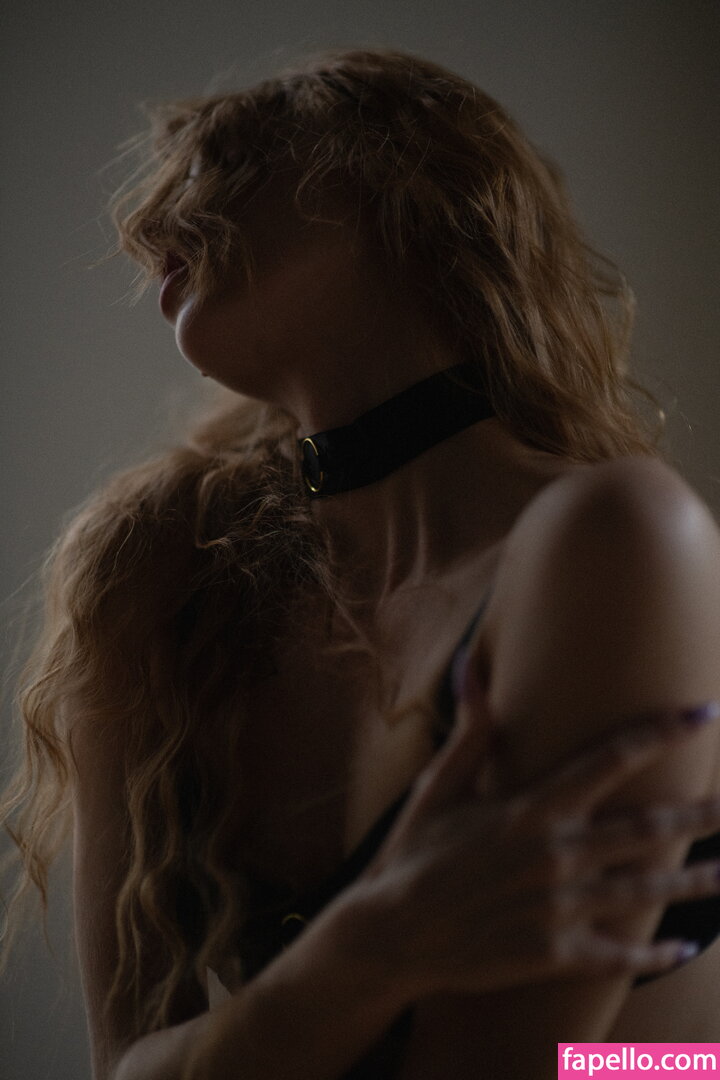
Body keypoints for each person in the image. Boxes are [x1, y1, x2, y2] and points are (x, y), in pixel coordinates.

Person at [3, 48, 720, 1080]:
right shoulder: (156, 580)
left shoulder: (617, 536)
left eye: (232, 160)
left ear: (412, 194)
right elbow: (124, 1069)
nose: (153, 222)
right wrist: (372, 947)